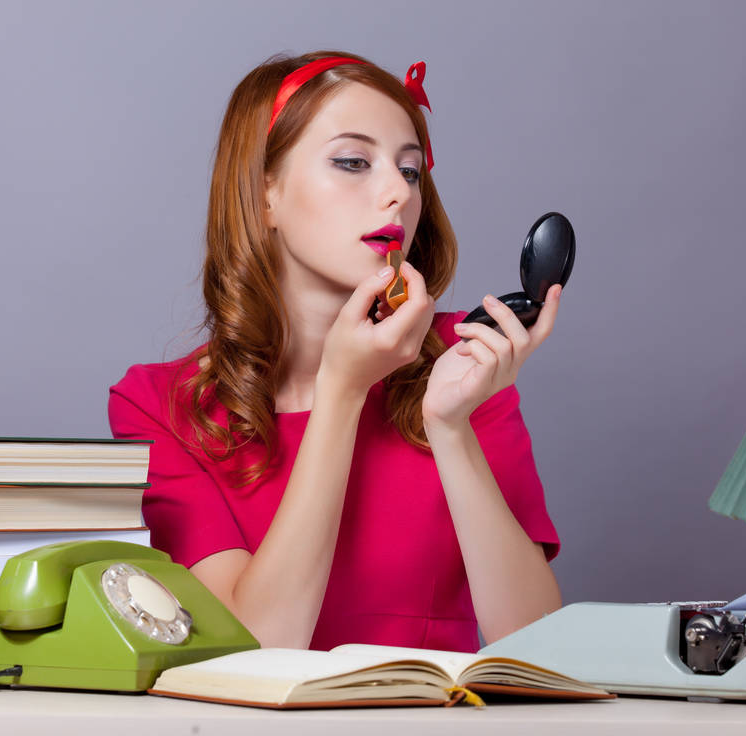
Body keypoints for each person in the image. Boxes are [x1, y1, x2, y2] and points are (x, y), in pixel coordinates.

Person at [108, 51, 564, 653]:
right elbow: (259, 647)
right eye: (352, 162)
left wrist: (450, 427)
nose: (395, 195)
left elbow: (536, 649)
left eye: (410, 171)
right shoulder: (158, 405)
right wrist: (342, 392)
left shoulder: (466, 363)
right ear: (264, 193)